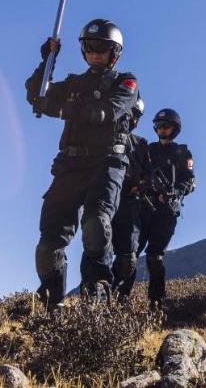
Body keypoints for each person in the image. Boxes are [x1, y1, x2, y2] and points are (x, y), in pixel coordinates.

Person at [25, 19, 141, 308]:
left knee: (96, 224)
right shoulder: (74, 84)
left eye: (101, 48)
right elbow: (36, 93)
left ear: (114, 53)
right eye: (89, 47)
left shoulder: (125, 82)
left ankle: (96, 297)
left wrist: (61, 109)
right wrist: (47, 61)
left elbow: (105, 112)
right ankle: (52, 305)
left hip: (107, 162)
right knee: (49, 240)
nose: (94, 53)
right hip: (70, 164)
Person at [111, 108, 195, 306]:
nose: (161, 129)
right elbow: (135, 172)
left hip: (166, 212)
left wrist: (175, 192)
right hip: (143, 209)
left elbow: (190, 181)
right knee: (129, 254)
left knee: (154, 257)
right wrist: (137, 186)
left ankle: (156, 303)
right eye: (158, 126)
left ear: (175, 129)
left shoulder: (182, 152)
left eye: (165, 126)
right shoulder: (147, 150)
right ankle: (118, 301)